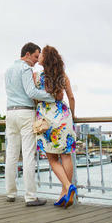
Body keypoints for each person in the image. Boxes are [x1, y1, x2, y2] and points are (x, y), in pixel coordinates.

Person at [4, 42, 60, 206]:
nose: (36, 61)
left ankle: (10, 193)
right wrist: (52, 97)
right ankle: (30, 196)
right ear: (27, 54)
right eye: (36, 56)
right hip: (25, 112)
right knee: (28, 155)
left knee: (12, 154)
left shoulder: (8, 70)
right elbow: (31, 92)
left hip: (10, 112)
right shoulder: (26, 69)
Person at [34, 45, 77, 208]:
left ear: (46, 58)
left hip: (47, 120)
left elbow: (34, 97)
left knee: (52, 158)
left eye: (41, 54)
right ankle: (65, 193)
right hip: (64, 117)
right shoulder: (63, 75)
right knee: (66, 155)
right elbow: (71, 98)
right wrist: (72, 116)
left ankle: (67, 187)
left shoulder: (37, 77)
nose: (39, 57)